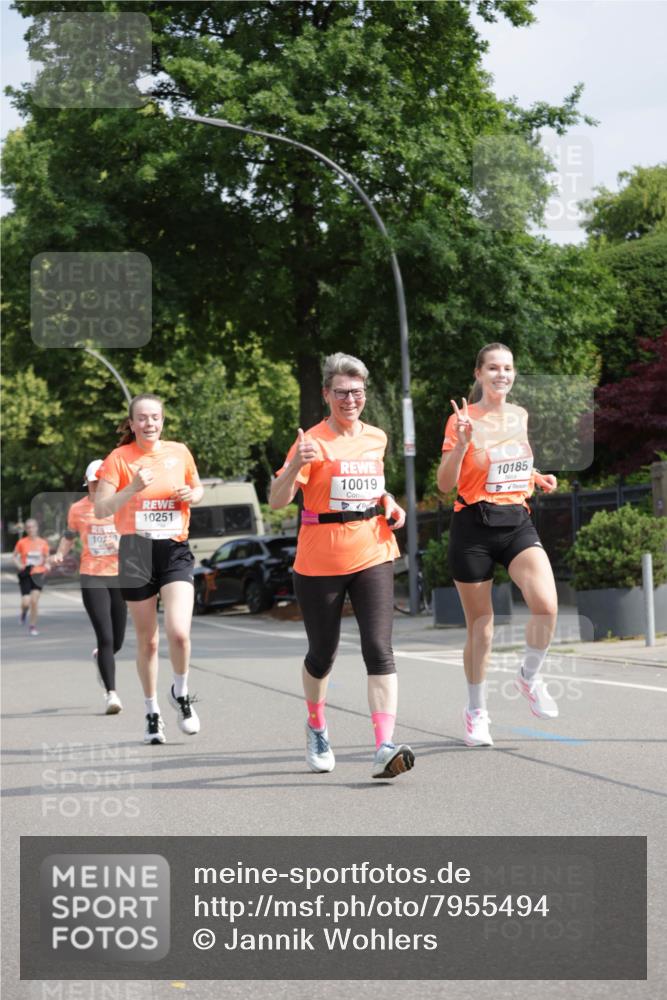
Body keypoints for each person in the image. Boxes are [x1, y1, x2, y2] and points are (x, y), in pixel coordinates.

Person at [270, 352, 415, 780]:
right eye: (341, 392)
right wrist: (297, 464)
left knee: (379, 648)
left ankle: (384, 746)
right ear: (326, 395)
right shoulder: (311, 442)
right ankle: (316, 725)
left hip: (373, 551)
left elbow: (372, 485)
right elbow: (277, 499)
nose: (350, 399)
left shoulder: (376, 437)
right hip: (320, 560)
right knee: (322, 654)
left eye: (357, 392)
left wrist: (388, 501)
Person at [437, 342, 559, 748]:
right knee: (482, 629)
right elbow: (445, 483)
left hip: (516, 521)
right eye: (492, 368)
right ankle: (476, 712)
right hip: (473, 526)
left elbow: (509, 459)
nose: (501, 374)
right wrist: (461, 444)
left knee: (547, 605)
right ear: (478, 374)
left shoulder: (519, 415)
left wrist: (536, 476)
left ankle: (529, 676)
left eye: (507, 368)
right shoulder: (461, 420)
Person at [94, 394, 204, 745]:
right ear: (132, 423)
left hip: (174, 549)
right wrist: (132, 488)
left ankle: (180, 692)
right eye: (142, 418)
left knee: (179, 633)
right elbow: (101, 509)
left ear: (162, 420)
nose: (149, 423)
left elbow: (198, 488)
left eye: (155, 417)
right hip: (135, 552)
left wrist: (192, 495)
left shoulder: (179, 452)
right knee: (149, 642)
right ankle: (152, 712)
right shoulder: (118, 459)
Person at [52, 460, 127, 715]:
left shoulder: (121, 505)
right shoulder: (77, 509)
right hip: (92, 576)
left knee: (118, 641)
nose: (98, 486)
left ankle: (100, 658)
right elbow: (69, 536)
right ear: (88, 483)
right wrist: (60, 553)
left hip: (119, 577)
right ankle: (111, 694)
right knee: (105, 637)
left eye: (103, 482)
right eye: (94, 482)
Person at [13, 518, 50, 636]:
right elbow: (14, 556)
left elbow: (47, 557)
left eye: (33, 527)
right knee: (26, 602)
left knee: (34, 601)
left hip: (38, 573)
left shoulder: (43, 543)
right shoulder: (22, 542)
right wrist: (19, 565)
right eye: (28, 527)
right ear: (25, 529)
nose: (31, 529)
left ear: (37, 528)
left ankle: (32, 626)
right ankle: (24, 613)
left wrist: (47, 564)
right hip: (26, 574)